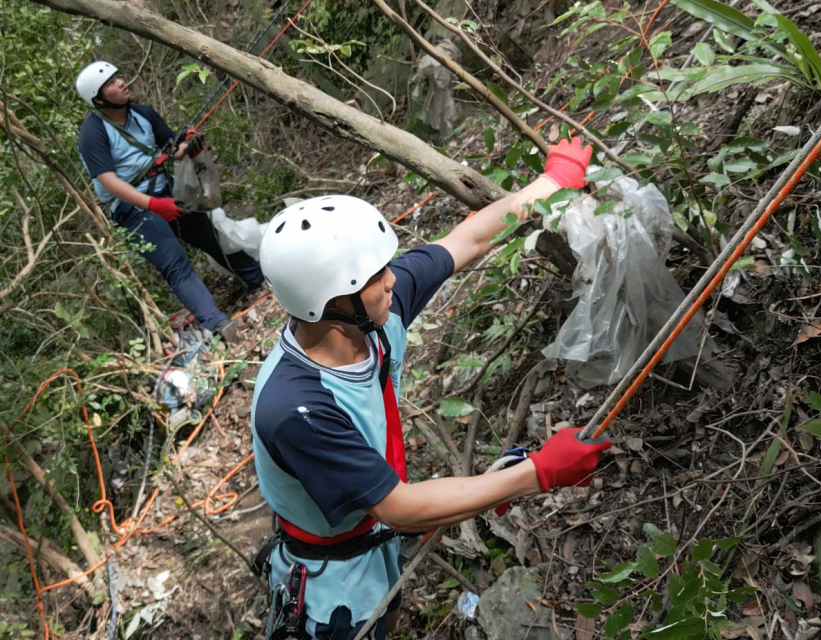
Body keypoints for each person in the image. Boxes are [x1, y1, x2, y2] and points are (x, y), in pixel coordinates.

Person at [250, 136, 611, 639]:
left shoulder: (373, 311)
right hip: (330, 575)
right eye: (376, 276)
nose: (393, 280)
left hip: (373, 537)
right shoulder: (296, 408)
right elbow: (400, 507)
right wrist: (538, 474)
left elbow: (469, 239)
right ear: (333, 303)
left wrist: (549, 185)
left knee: (390, 611)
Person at [75, 61, 263, 342]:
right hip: (133, 210)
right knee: (175, 264)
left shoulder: (142, 113)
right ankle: (217, 323)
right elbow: (108, 181)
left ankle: (260, 279)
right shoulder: (93, 134)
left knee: (212, 238)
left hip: (166, 193)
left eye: (119, 77)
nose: (122, 83)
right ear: (99, 99)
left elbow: (173, 150)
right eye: (112, 83)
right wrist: (152, 205)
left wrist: (189, 145)